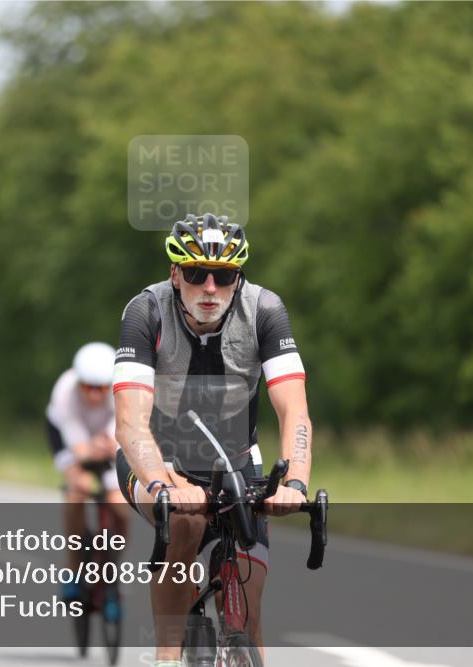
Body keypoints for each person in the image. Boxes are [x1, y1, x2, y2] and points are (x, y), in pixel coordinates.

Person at [113, 213, 313, 665]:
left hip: (236, 464)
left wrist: (296, 482)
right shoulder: (145, 311)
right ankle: (167, 657)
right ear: (174, 273)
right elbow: (129, 421)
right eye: (195, 273)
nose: (209, 288)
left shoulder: (264, 310)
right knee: (184, 524)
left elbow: (294, 409)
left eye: (223, 277)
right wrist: (162, 484)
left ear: (237, 278)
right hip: (157, 460)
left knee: (250, 604)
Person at [46, 342, 129, 617]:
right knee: (77, 489)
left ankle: (110, 574)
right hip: (67, 438)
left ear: (110, 384)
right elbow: (79, 448)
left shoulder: (122, 390)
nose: (94, 394)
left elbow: (121, 435)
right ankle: (72, 570)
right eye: (87, 387)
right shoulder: (64, 392)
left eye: (101, 387)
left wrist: (108, 446)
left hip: (107, 443)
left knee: (120, 505)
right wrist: (91, 450)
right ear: (78, 382)